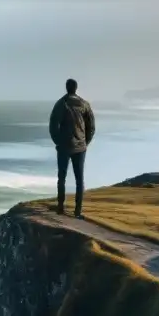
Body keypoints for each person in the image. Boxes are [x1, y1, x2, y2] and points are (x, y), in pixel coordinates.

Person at [48, 78, 96, 217]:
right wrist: (85, 142)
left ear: (66, 88)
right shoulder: (85, 104)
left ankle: (61, 208)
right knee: (79, 179)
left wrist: (58, 141)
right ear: (76, 88)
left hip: (64, 146)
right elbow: (91, 127)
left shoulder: (60, 104)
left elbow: (53, 126)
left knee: (61, 177)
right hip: (80, 147)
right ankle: (77, 211)